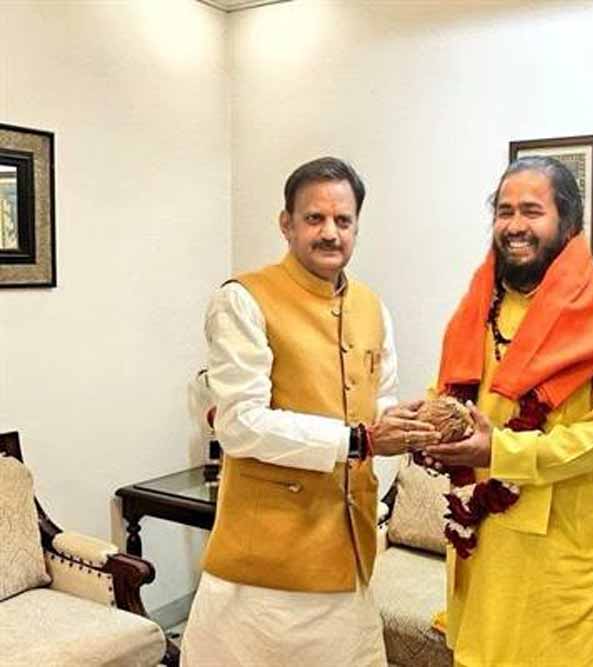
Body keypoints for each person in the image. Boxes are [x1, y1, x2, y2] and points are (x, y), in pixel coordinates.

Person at [181, 157, 438, 666]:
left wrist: (407, 428)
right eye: (314, 218)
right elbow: (239, 424)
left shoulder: (373, 307)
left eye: (343, 220)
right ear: (287, 223)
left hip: (351, 554)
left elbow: (379, 403)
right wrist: (359, 440)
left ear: (357, 227)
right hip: (264, 568)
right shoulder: (244, 300)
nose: (330, 233)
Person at [420, 156, 593, 666]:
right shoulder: (478, 307)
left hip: (560, 559)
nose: (515, 226)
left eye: (532, 211)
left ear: (567, 223)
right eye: (504, 212)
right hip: (483, 544)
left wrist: (501, 451)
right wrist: (427, 426)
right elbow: (453, 395)